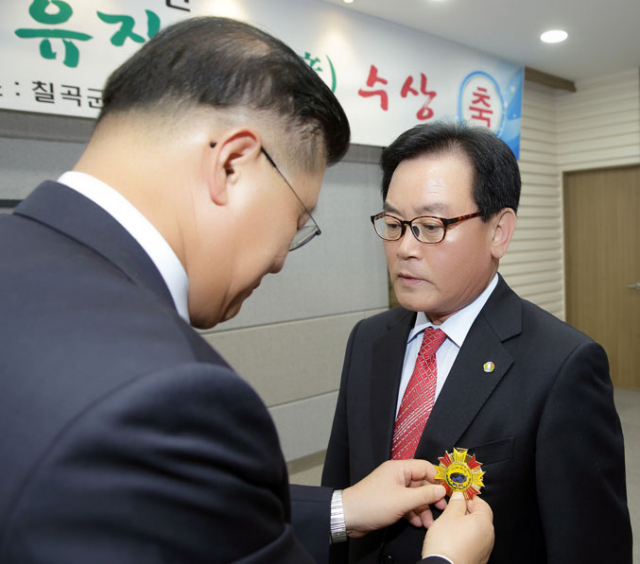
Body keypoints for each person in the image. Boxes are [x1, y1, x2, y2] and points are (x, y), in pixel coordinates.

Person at [0, 17, 494, 564]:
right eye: (297, 218)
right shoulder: (168, 395)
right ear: (232, 164)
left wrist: (340, 508)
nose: (281, 259)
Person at [322, 121, 633, 563]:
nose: (405, 248)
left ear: (498, 232)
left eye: (430, 225)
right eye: (394, 223)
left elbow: (591, 547)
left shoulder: (563, 366)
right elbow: (340, 490)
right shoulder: (369, 339)